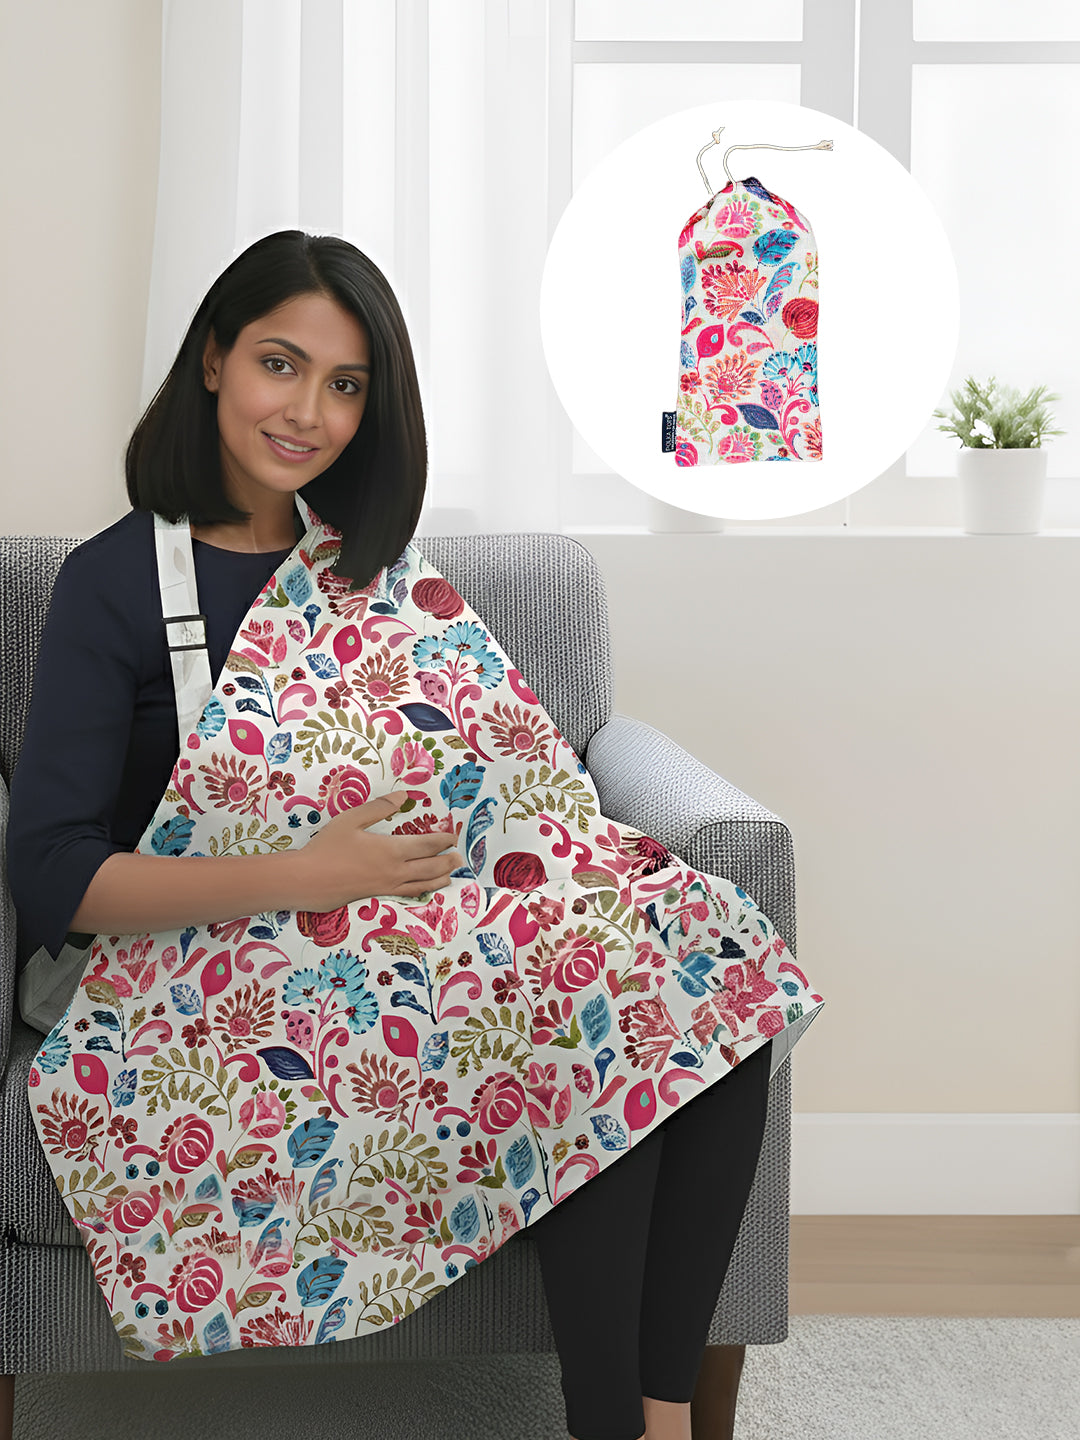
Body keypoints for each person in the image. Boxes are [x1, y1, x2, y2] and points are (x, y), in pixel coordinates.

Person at [7, 231, 782, 1440]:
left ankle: (661, 1415)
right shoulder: (110, 585)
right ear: (213, 361)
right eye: (280, 363)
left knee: (700, 960)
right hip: (198, 977)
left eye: (347, 384)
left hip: (399, 935)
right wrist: (316, 871)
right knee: (586, 1013)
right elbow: (52, 871)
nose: (307, 410)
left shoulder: (367, 568)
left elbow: (493, 759)